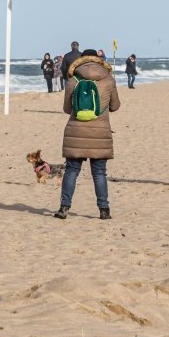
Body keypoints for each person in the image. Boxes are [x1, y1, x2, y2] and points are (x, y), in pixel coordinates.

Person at [55, 49, 121, 220]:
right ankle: (104, 209)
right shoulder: (108, 79)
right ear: (99, 60)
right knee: (99, 173)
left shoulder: (73, 80)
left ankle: (64, 208)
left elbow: (66, 109)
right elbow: (115, 106)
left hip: (76, 131)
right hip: (100, 132)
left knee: (71, 171)